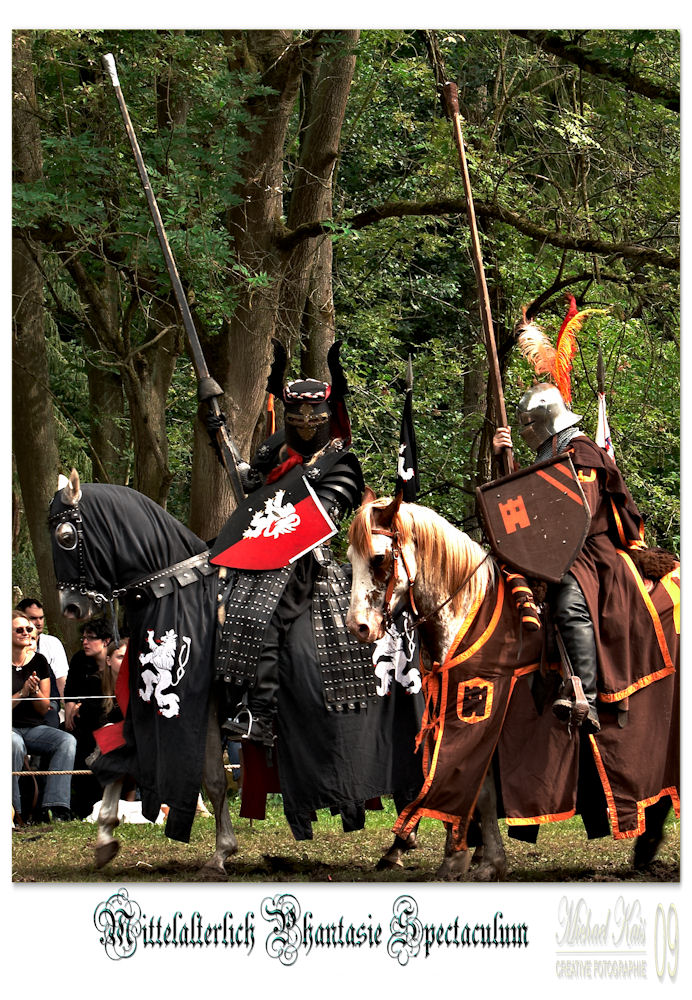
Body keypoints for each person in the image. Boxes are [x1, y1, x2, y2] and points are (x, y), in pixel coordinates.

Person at [208, 340, 365, 748]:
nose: (305, 421)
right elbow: (249, 487)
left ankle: (259, 713)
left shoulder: (340, 461)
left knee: (267, 611)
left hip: (303, 559)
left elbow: (320, 517)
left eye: (313, 415)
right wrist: (219, 436)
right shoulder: (272, 450)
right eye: (296, 414)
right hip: (256, 547)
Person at [493, 382, 663, 734]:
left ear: (545, 419)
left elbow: (576, 514)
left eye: (528, 422)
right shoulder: (549, 451)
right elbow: (519, 507)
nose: (525, 430)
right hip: (552, 547)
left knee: (570, 603)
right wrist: (502, 458)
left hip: (586, 548)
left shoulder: (581, 451)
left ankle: (586, 697)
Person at [12, 611, 76, 823]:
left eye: (28, 629)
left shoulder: (39, 661)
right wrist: (22, 693)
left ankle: (55, 808)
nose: (26, 633)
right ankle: (14, 810)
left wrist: (34, 691)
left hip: (33, 728)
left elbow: (43, 708)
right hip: (9, 729)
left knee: (66, 741)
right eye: (19, 630)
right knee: (13, 743)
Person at [64, 617, 114, 817]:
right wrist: (70, 709)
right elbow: (70, 691)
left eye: (91, 638)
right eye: (83, 638)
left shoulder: (117, 662)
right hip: (83, 721)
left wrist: (82, 706)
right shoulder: (79, 659)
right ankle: (78, 805)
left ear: (106, 641)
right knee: (72, 738)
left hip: (106, 720)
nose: (85, 642)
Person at [16, 597, 69, 727]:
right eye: (33, 618)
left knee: (51, 721)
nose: (39, 622)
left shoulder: (53, 643)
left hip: (48, 700)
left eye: (41, 618)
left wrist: (68, 706)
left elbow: (62, 679)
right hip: (18, 700)